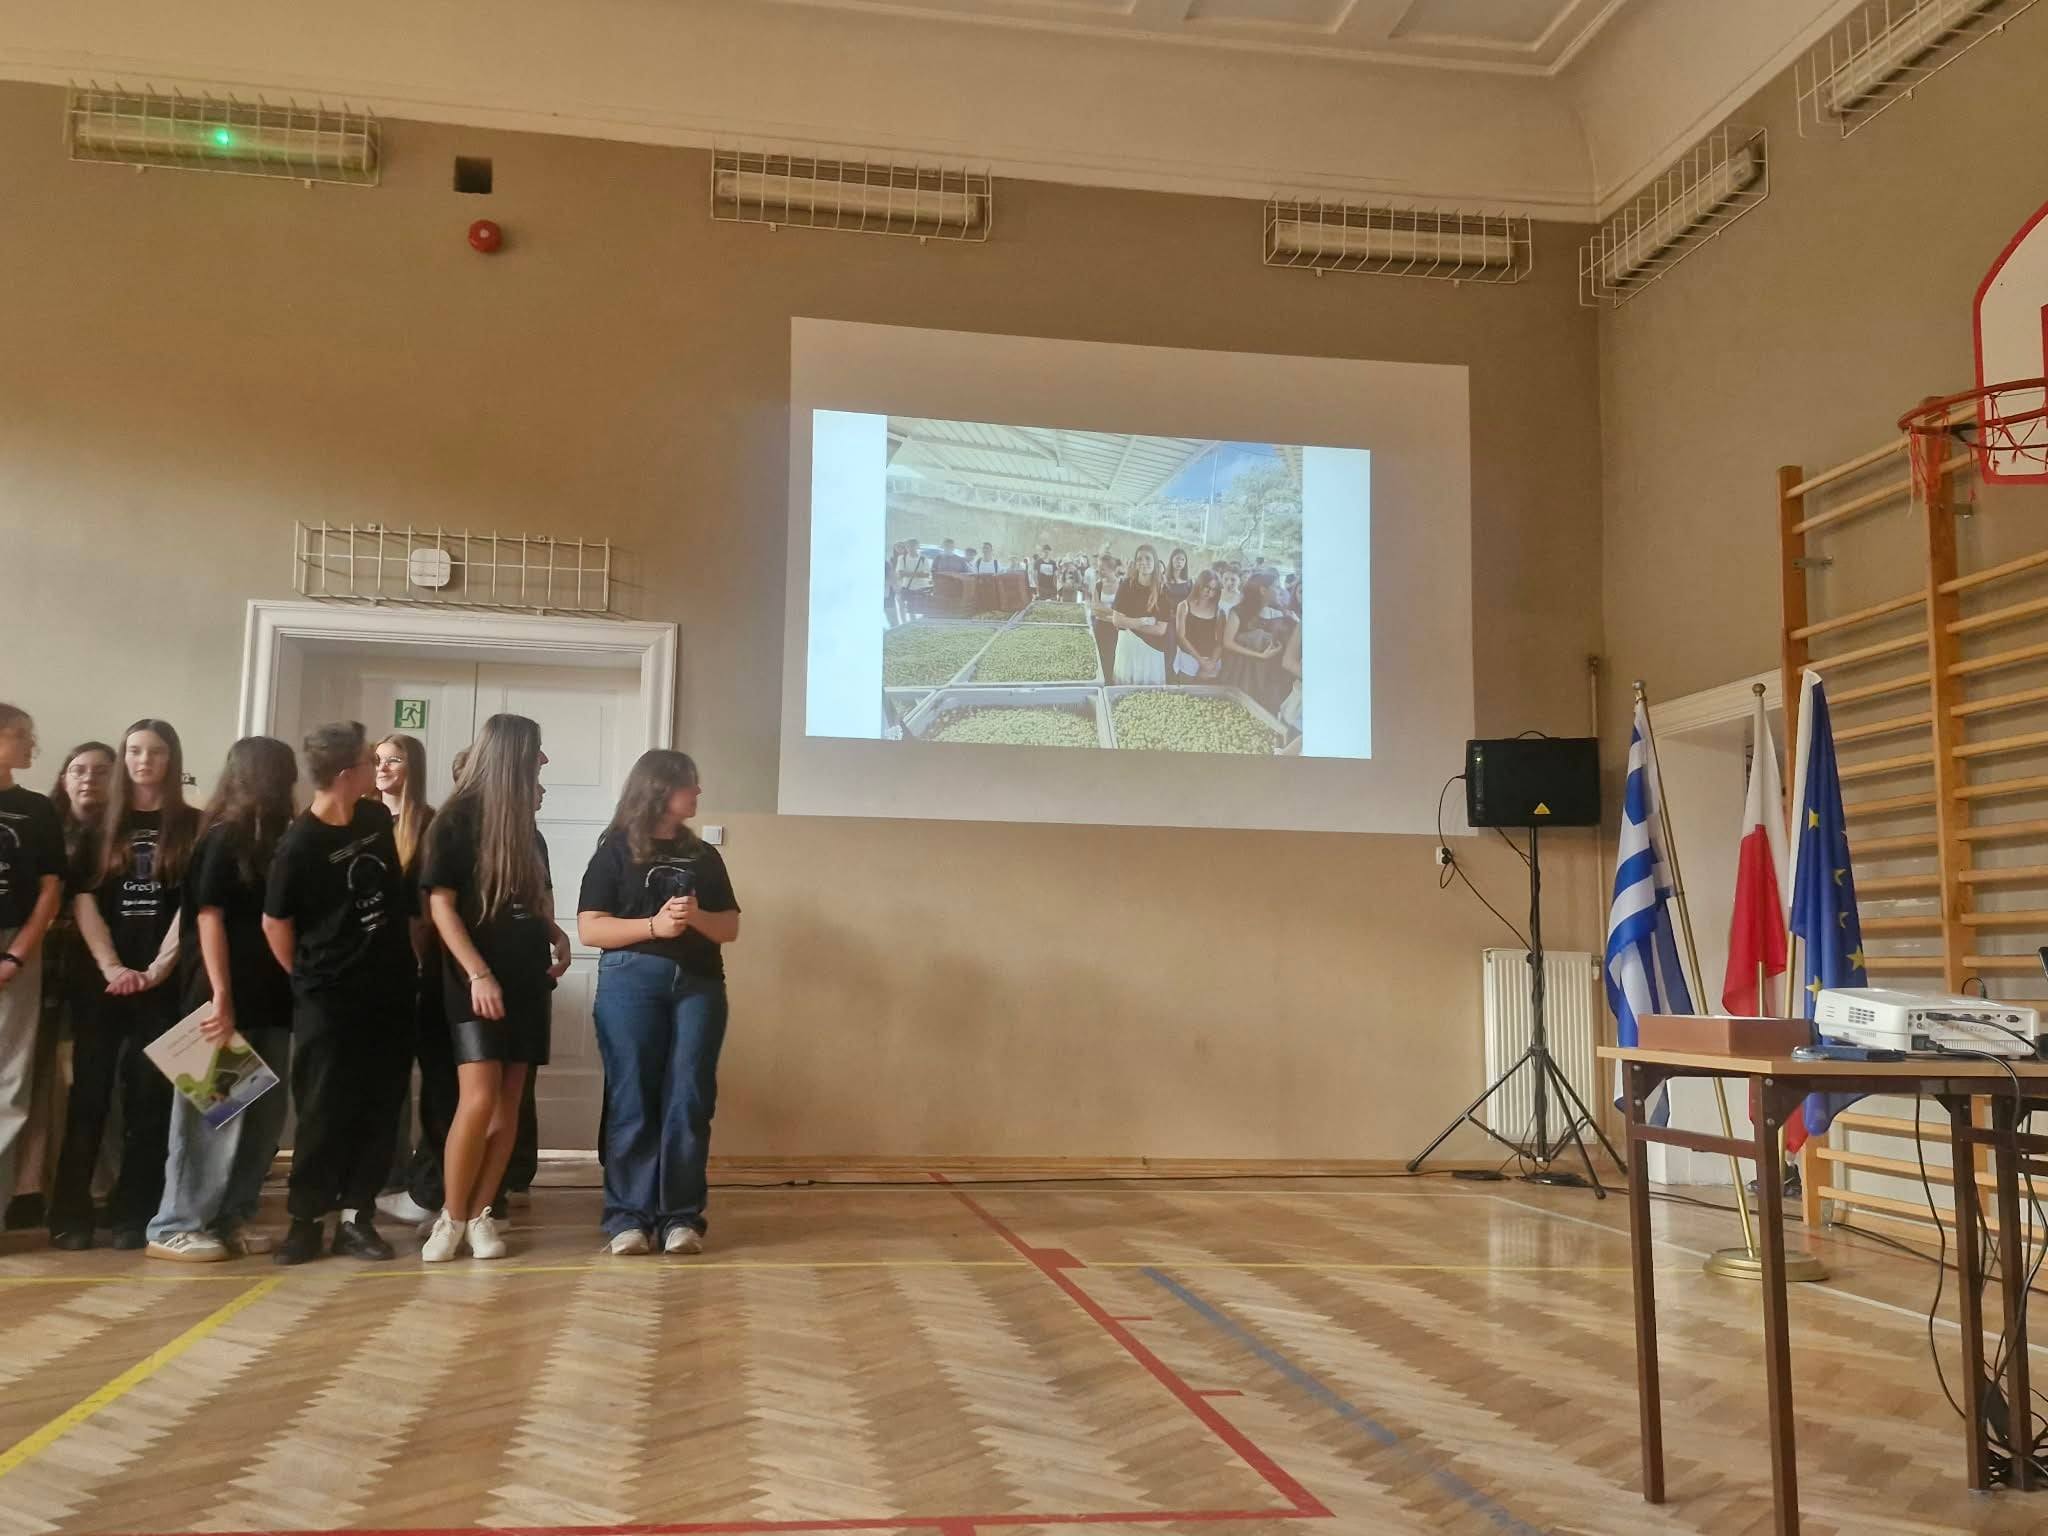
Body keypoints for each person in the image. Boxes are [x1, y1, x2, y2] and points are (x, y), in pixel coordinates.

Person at [418, 714, 569, 1263]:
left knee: (509, 1106)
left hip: (527, 978)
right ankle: (451, 1216)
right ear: (512, 755)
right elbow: (441, 907)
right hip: (474, 980)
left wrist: (555, 934)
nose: (543, 762)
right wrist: (478, 973)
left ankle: (482, 1213)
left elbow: (534, 900)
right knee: (478, 1099)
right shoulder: (455, 821)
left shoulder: (530, 832)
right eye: (537, 752)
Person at [262, 721, 414, 1265]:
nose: (378, 769)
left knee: (379, 1105)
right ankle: (306, 1220)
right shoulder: (299, 843)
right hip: (328, 997)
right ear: (348, 772)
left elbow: (392, 898)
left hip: (389, 990)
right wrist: (309, 977)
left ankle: (356, 1218)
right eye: (371, 761)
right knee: (323, 1108)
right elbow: (275, 923)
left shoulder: (373, 820)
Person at [578, 750, 740, 1256]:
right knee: (633, 1099)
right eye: (690, 784)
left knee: (690, 1099)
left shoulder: (704, 855)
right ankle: (628, 1218)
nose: (698, 793)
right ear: (660, 789)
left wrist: (694, 919)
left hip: (699, 985)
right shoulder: (614, 850)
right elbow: (590, 928)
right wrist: (654, 926)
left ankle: (680, 1218)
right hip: (630, 983)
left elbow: (729, 927)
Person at [145, 737, 299, 1262]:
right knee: (213, 1118)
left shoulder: (281, 838)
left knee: (262, 1120)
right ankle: (175, 1224)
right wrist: (220, 996)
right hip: (221, 1000)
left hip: (272, 999)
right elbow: (208, 919)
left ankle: (232, 1217)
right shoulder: (222, 837)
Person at [51, 719, 198, 1249]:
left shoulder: (194, 825)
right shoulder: (100, 826)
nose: (143, 761)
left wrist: (158, 968)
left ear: (171, 760)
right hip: (102, 983)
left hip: (165, 982)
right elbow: (84, 899)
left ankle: (134, 1211)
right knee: (90, 1095)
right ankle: (70, 1213)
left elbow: (193, 905)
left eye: (155, 752)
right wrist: (112, 966)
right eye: (134, 751)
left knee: (150, 1099)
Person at [4, 742, 113, 1231]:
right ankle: (26, 1189)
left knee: (92, 1086)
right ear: (64, 777)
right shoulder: (41, 823)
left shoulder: (124, 833)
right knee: (33, 1080)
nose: (89, 779)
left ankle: (100, 1188)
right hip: (43, 966)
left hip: (109, 976)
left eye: (101, 771)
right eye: (79, 770)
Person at [370, 734, 446, 1228]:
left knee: (426, 1078)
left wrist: (422, 958)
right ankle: (379, 1175)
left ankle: (416, 1181)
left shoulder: (430, 824)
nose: (382, 768)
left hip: (420, 966)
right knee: (379, 1080)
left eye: (393, 760)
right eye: (376, 760)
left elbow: (428, 906)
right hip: (368, 969)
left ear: (411, 767)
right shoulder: (362, 821)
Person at [0, 706, 66, 1227]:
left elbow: (50, 889)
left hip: (18, 947)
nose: (32, 746)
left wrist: (17, 954)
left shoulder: (37, 809)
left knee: (10, 1080)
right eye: (22, 735)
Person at [1222, 568, 1285, 711]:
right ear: (1263, 590)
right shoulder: (1238, 612)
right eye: (1276, 587)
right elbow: (1228, 643)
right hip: (1241, 672)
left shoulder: (1279, 614)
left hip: (1266, 674)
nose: (1280, 591)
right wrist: (1259, 655)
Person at [1109, 544, 1170, 686]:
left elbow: (1160, 630)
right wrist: (1143, 621)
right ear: (1135, 563)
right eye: (1139, 559)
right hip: (1127, 646)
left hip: (1151, 650)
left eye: (1148, 558)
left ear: (1155, 562)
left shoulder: (1163, 590)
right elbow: (1116, 620)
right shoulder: (1126, 585)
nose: (1143, 562)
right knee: (1124, 688)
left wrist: (1128, 622)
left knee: (1148, 692)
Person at [1174, 569, 1227, 683]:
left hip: (1211, 659)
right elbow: (1181, 637)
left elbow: (1220, 642)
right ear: (1199, 584)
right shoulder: (1184, 606)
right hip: (1188, 658)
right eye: (1206, 587)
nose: (1209, 592)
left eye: (1213, 589)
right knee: (1186, 690)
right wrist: (1201, 661)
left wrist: (1211, 663)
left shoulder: (1219, 611)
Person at [1161, 549, 1193, 678]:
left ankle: (1181, 675)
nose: (1179, 562)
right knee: (1170, 648)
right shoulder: (1164, 579)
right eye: (1177, 559)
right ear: (1171, 560)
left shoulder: (1189, 582)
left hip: (1184, 620)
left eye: (1182, 559)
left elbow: (1191, 602)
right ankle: (1168, 675)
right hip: (1169, 619)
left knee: (1185, 648)